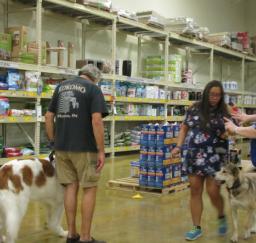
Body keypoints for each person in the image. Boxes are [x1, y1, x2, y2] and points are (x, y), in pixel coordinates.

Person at [45, 64, 108, 243]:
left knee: (70, 188)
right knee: (89, 187)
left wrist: (53, 142)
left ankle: (71, 234)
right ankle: (86, 238)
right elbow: (96, 120)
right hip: (85, 148)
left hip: (62, 148)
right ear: (95, 78)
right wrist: (101, 150)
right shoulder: (93, 89)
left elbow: (49, 117)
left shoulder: (61, 87)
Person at [171, 80, 229, 241]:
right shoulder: (194, 108)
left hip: (216, 156)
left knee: (213, 192)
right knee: (195, 190)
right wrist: (178, 146)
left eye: (218, 95)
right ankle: (196, 227)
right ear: (206, 94)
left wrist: (228, 134)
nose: (214, 98)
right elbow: (184, 128)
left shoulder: (225, 111)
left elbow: (231, 131)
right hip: (194, 155)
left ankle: (221, 215)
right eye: (212, 94)